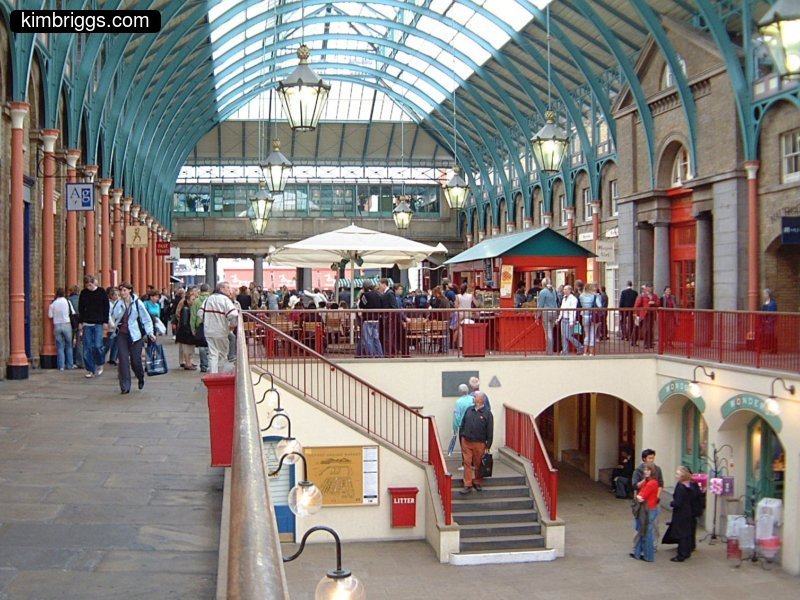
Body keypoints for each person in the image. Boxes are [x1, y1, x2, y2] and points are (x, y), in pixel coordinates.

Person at [111, 282, 155, 394]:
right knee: (123, 360)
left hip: (135, 336)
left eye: (125, 290)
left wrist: (150, 333)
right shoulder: (118, 303)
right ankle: (125, 386)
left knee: (136, 361)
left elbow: (146, 319)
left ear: (130, 290)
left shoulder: (137, 303)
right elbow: (113, 316)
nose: (122, 293)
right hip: (122, 334)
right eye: (121, 290)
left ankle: (140, 376)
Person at [198, 281, 239, 373]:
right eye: (228, 288)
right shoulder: (225, 300)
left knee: (213, 354)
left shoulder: (208, 299)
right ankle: (220, 374)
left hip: (208, 331)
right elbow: (233, 314)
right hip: (221, 331)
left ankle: (213, 373)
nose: (230, 290)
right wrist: (232, 325)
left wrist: (208, 321)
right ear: (221, 289)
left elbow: (200, 314)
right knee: (222, 354)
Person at [458, 391, 493, 495]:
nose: (473, 397)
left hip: (479, 442)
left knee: (478, 464)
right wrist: (462, 436)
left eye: (475, 396)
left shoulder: (487, 413)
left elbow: (490, 430)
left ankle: (477, 482)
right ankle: (467, 484)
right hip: (467, 441)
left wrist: (488, 445)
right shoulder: (469, 410)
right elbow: (463, 423)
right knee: (467, 462)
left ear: (481, 399)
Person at [632, 449, 664, 554]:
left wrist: (658, 497)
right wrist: (645, 479)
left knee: (654, 524)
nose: (652, 460)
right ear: (644, 459)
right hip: (642, 503)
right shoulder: (638, 471)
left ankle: (653, 545)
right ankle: (638, 545)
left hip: (653, 502)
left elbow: (660, 484)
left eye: (653, 457)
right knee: (641, 524)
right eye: (650, 458)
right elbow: (634, 485)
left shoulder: (657, 469)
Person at [78, 274, 110, 379]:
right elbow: (81, 308)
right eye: (87, 285)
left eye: (90, 285)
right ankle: (90, 370)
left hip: (98, 323)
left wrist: (105, 321)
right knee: (87, 348)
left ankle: (100, 363)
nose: (89, 287)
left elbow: (106, 307)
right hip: (87, 323)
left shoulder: (101, 292)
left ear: (94, 283)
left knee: (98, 345)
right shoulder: (83, 293)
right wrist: (80, 322)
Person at [667, 466, 698, 562]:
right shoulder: (691, 485)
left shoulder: (681, 487)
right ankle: (687, 552)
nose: (676, 475)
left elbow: (678, 502)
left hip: (681, 513)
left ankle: (681, 554)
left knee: (682, 534)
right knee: (687, 533)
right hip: (688, 511)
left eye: (678, 473)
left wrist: (672, 503)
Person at [632, 464, 659, 562]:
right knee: (643, 531)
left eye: (648, 470)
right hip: (646, 509)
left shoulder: (652, 483)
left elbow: (642, 496)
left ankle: (648, 556)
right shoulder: (647, 481)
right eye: (645, 469)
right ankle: (638, 553)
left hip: (648, 510)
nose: (646, 471)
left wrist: (638, 497)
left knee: (647, 533)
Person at [48, 288, 74, 370]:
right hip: (66, 324)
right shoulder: (67, 301)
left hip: (57, 325)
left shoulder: (53, 304)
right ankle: (69, 365)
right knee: (69, 345)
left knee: (60, 346)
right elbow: (72, 312)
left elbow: (50, 315)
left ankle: (61, 366)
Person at [358, 281, 384, 357]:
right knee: (376, 338)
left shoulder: (365, 295)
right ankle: (379, 354)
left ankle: (370, 355)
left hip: (367, 319)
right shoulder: (378, 294)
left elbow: (361, 304)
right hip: (376, 319)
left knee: (368, 339)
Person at [176, 288, 199, 370]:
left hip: (188, 331)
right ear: (188, 300)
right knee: (187, 349)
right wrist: (189, 330)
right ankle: (187, 363)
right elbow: (184, 322)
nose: (194, 300)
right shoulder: (186, 309)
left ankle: (189, 362)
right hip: (186, 332)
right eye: (193, 299)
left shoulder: (190, 308)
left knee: (190, 349)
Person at [558, 285, 584, 355]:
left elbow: (573, 311)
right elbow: (562, 309)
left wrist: (572, 321)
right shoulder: (564, 299)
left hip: (569, 319)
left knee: (568, 335)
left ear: (570, 290)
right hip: (563, 318)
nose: (564, 291)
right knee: (563, 336)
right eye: (564, 289)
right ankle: (565, 350)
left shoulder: (573, 299)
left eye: (566, 289)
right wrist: (559, 318)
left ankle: (580, 346)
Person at [191, 283, 211, 372]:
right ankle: (212, 364)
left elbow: (193, 316)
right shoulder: (211, 299)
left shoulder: (196, 301)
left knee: (202, 346)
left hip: (200, 326)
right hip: (211, 325)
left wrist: (193, 328)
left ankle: (204, 365)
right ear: (208, 290)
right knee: (211, 345)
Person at [632, 284, 660, 348]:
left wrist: (654, 303)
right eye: (649, 288)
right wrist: (635, 313)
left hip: (650, 314)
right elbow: (637, 304)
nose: (650, 289)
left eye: (651, 288)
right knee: (638, 327)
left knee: (649, 328)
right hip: (642, 314)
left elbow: (658, 303)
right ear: (646, 288)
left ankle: (648, 343)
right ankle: (634, 341)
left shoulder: (654, 296)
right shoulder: (642, 295)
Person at [537, 277, 559, 355]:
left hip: (546, 312)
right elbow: (556, 301)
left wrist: (537, 316)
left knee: (548, 332)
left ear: (543, 284)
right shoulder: (554, 291)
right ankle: (550, 349)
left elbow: (540, 305)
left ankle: (549, 350)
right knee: (551, 331)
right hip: (554, 312)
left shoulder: (543, 292)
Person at [578, 282, 599, 356]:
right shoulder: (594, 296)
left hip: (584, 315)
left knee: (586, 334)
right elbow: (600, 305)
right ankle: (591, 352)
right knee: (592, 333)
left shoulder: (581, 296)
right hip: (592, 315)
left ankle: (585, 352)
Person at [761, 288, 778, 353]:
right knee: (766, 335)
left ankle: (773, 349)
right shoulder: (764, 303)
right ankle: (768, 348)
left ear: (768, 294)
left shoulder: (773, 303)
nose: (764, 295)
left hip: (770, 322)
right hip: (765, 322)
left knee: (771, 335)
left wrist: (769, 321)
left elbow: (773, 313)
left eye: (765, 294)